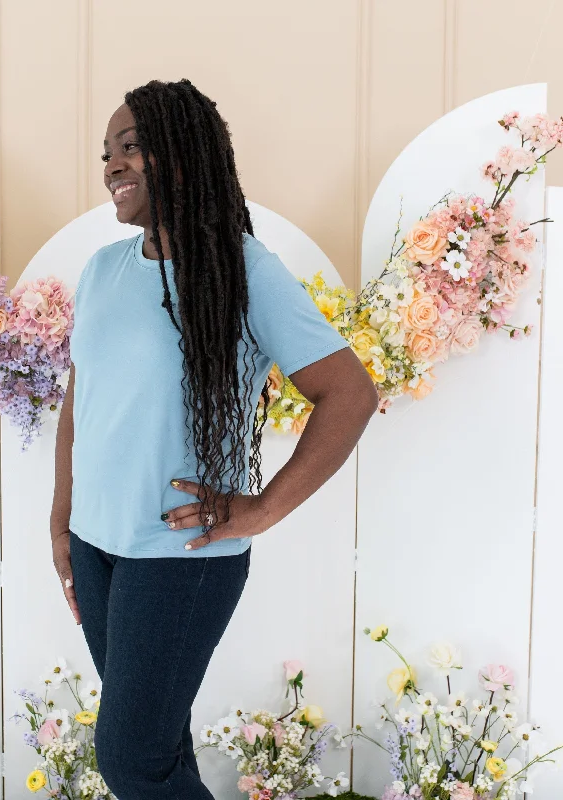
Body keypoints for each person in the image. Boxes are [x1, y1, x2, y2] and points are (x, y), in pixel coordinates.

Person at [50, 78, 378, 800]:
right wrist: (61, 517)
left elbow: (350, 393)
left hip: (179, 558)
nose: (112, 166)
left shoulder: (243, 269)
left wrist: (259, 509)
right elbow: (85, 397)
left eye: (131, 147)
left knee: (131, 761)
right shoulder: (102, 270)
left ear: (186, 152)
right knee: (157, 749)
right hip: (99, 548)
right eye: (106, 153)